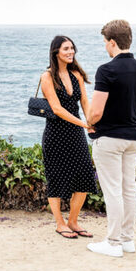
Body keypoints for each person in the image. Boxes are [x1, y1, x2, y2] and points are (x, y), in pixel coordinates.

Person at [86, 20, 136, 257]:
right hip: (133, 137)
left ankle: (112, 243)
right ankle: (127, 240)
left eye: (105, 42)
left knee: (112, 190)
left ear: (112, 42)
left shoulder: (107, 70)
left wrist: (90, 124)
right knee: (128, 188)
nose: (105, 47)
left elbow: (96, 111)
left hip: (109, 139)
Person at [40, 35, 98, 239]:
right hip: (55, 133)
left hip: (75, 134)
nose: (70, 52)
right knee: (56, 178)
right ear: (56, 52)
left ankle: (73, 221)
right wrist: (83, 123)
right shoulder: (47, 77)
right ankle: (59, 223)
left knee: (84, 175)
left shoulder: (76, 74)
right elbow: (56, 108)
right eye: (66, 48)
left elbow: (84, 101)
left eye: (72, 48)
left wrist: (91, 121)